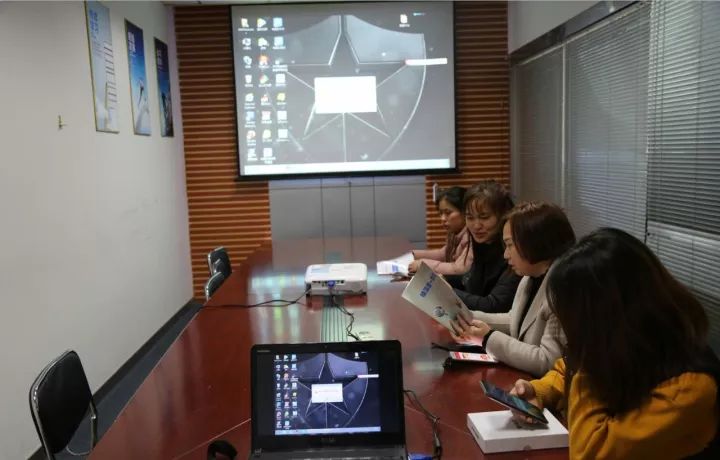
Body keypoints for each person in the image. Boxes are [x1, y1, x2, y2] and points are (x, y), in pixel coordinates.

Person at [510, 228, 720, 459]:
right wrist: (538, 390)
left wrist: (591, 356)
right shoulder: (631, 344)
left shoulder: (689, 387)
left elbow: (589, 452)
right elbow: (567, 369)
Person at [451, 202, 575, 377]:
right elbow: (515, 320)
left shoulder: (563, 289)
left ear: (534, 243)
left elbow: (548, 362)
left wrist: (487, 338)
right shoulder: (530, 277)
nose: (505, 255)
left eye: (510, 245)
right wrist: (466, 318)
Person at [453, 180, 519, 313]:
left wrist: (448, 292)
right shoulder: (483, 244)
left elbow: (494, 305)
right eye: (470, 218)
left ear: (503, 215)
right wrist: (439, 279)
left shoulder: (515, 251)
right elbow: (470, 282)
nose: (476, 226)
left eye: (484, 217)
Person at [409, 186, 472, 278]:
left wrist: (422, 265)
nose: (442, 218)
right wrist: (412, 254)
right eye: (441, 213)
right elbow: (443, 254)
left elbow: (459, 269)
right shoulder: (454, 232)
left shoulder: (472, 236)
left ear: (465, 212)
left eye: (448, 213)